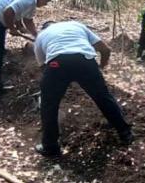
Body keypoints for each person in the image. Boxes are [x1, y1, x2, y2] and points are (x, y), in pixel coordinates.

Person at [33, 21, 133, 157]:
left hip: (57, 64)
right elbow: (105, 50)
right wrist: (100, 69)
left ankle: (50, 147)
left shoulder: (41, 36)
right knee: (103, 97)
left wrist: (57, 83)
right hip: (85, 61)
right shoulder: (76, 25)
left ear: (44, 28)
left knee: (49, 105)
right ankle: (125, 133)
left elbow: (43, 67)